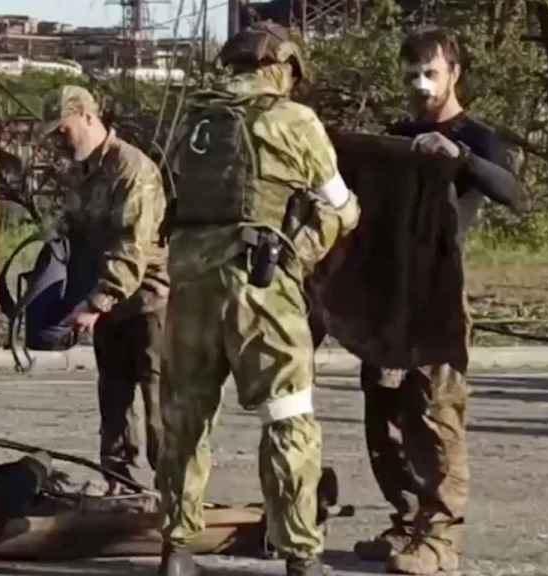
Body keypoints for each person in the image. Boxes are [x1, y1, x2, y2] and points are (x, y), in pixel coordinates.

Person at [156, 22, 360, 576]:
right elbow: (342, 206)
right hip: (260, 288)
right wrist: (302, 252)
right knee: (287, 416)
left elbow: (172, 198)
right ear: (286, 66)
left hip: (190, 287)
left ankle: (176, 549)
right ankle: (300, 555)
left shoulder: (195, 120)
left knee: (185, 417)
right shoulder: (294, 121)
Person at [353, 28, 520, 575]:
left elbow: (514, 193)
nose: (419, 85)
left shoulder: (477, 137)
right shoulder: (398, 135)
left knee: (436, 414)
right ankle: (407, 521)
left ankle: (441, 535)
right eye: (410, 75)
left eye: (430, 73)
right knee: (385, 415)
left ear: (454, 73)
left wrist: (461, 156)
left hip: (439, 297)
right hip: (388, 292)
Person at [36, 85, 168, 494]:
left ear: (88, 117)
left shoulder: (132, 169)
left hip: (148, 302)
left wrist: (97, 302)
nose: (59, 140)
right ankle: (120, 484)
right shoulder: (82, 172)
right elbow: (74, 233)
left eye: (63, 130)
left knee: (158, 402)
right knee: (113, 400)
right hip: (107, 304)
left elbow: (133, 247)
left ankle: (174, 494)